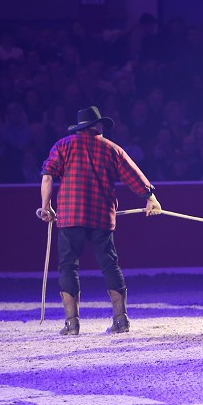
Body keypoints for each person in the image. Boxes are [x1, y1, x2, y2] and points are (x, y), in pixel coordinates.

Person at [37, 106, 161, 336]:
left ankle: (72, 324)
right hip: (101, 215)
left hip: (70, 216)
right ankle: (121, 320)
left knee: (68, 266)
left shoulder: (63, 145)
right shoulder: (111, 149)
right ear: (97, 127)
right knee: (110, 264)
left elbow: (47, 177)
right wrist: (150, 197)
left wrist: (46, 207)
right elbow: (132, 174)